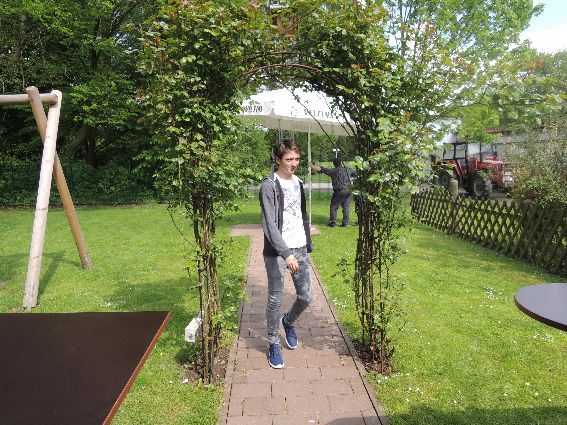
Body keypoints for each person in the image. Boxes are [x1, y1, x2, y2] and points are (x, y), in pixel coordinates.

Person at [259, 139, 314, 369]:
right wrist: (286, 253)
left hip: (299, 247)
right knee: (275, 298)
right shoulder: (269, 186)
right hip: (277, 251)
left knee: (306, 297)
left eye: (297, 159)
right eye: (289, 159)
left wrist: (306, 243)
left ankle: (288, 321)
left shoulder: (298, 182)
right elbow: (269, 224)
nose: (294, 163)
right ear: (278, 159)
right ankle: (273, 342)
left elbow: (300, 216)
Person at [308, 158, 357, 227]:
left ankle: (332, 223)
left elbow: (321, 169)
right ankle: (345, 223)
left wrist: (312, 166)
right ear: (341, 163)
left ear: (334, 164)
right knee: (346, 207)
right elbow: (356, 174)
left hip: (339, 191)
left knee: (334, 207)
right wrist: (351, 179)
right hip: (348, 191)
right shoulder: (348, 169)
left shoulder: (333, 171)